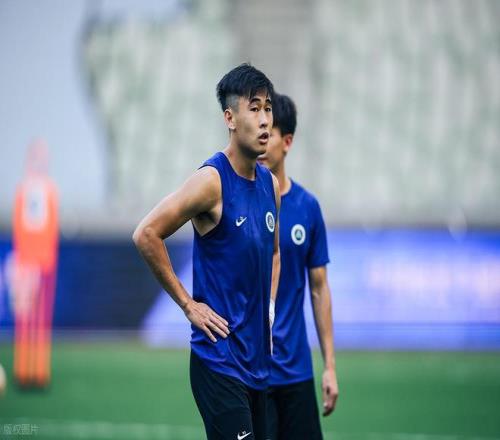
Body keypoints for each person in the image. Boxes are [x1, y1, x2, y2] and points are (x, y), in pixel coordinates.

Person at [133, 63, 281, 440]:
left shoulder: (270, 185)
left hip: (259, 366)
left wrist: (269, 311)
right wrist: (188, 305)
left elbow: (274, 253)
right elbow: (147, 234)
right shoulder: (211, 181)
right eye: (254, 108)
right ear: (230, 118)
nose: (265, 119)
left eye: (268, 108)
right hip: (218, 362)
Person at [257, 93, 339, 440]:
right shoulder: (235, 203)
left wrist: (329, 366)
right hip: (252, 372)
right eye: (257, 129)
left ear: (287, 142)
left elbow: (319, 288)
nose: (260, 139)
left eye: (269, 132)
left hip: (295, 372)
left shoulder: (307, 207)